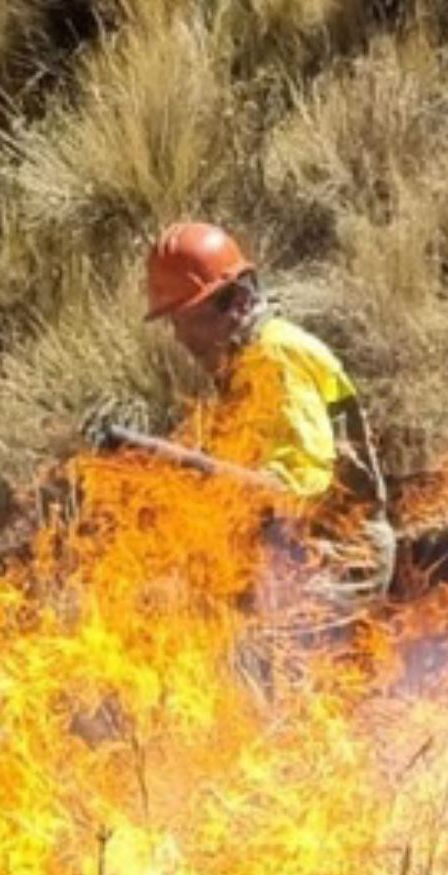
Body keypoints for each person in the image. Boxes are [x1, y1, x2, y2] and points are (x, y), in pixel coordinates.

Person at [141, 221, 395, 608]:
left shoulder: (276, 359)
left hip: (334, 557)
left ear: (234, 302)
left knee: (266, 657)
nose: (180, 338)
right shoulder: (244, 366)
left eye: (186, 320)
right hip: (296, 556)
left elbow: (299, 483)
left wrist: (211, 476)